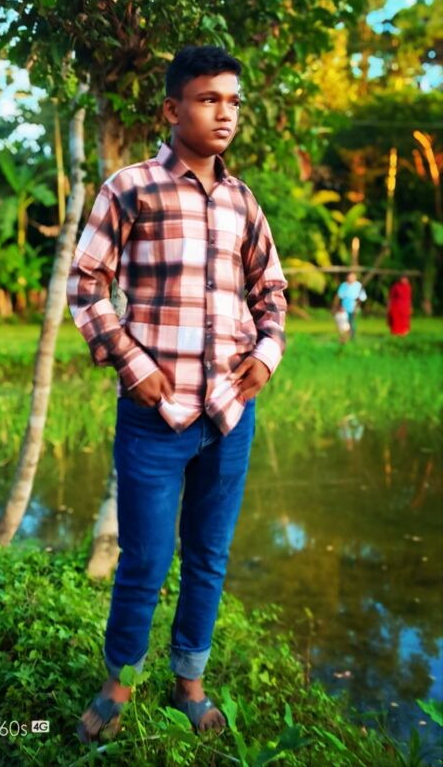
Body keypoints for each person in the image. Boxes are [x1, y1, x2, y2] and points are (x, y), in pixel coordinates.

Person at [67, 45, 287, 742]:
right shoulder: (130, 188)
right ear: (172, 109)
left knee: (209, 556)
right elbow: (86, 285)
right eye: (208, 99)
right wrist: (131, 363)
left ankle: (189, 677)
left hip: (229, 413)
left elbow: (271, 291)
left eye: (233, 101)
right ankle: (120, 680)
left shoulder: (244, 202)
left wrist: (267, 355)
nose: (225, 114)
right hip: (153, 415)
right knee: (144, 558)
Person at [333, 271, 367, 341]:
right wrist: (337, 307)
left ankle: (351, 336)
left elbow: (362, 297)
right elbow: (339, 296)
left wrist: (357, 304)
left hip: (354, 307)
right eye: (350, 276)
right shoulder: (344, 285)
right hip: (344, 307)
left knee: (351, 321)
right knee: (344, 322)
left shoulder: (358, 285)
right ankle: (345, 336)